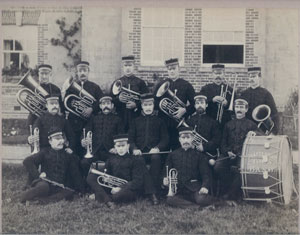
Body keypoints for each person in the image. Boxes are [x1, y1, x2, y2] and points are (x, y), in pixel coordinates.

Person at [20, 127, 85, 204]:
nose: (61, 141)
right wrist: (38, 175)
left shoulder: (68, 155)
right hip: (44, 183)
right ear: (50, 141)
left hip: (59, 186)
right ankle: (23, 197)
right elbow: (27, 161)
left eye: (61, 138)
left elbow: (75, 174)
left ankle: (39, 201)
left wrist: (82, 190)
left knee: (69, 192)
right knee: (43, 187)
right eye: (57, 139)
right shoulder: (44, 152)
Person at [213, 99, 260, 200]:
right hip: (228, 154)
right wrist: (228, 152)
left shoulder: (251, 125)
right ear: (234, 109)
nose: (239, 109)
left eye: (241, 107)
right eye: (237, 107)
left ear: (246, 109)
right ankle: (226, 189)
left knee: (241, 169)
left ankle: (231, 195)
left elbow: (261, 134)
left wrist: (255, 133)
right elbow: (223, 142)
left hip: (243, 155)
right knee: (218, 167)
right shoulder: (228, 124)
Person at [86, 134, 146, 208]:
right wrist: (106, 179)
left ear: (128, 146)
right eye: (118, 146)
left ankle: (101, 197)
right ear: (115, 147)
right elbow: (107, 174)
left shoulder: (135, 160)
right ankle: (108, 200)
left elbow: (137, 181)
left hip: (127, 188)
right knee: (90, 177)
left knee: (124, 194)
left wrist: (120, 187)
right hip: (112, 188)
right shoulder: (111, 159)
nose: (121, 149)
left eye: (123, 146)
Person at [128, 93, 169, 201]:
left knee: (156, 159)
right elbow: (130, 139)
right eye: (145, 105)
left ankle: (151, 190)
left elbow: (165, 139)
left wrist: (157, 148)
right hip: (139, 152)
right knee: (139, 161)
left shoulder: (160, 121)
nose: (148, 108)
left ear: (153, 106)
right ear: (141, 106)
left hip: (153, 151)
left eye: (150, 105)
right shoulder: (135, 121)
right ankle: (152, 193)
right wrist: (134, 149)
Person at [162, 126, 215, 208]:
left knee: (200, 199)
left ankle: (195, 205)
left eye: (188, 138)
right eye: (183, 138)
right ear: (179, 139)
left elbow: (206, 174)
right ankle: (198, 208)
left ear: (192, 139)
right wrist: (165, 178)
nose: (186, 140)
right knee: (170, 200)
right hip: (179, 190)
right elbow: (167, 170)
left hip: (194, 189)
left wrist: (205, 186)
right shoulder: (172, 154)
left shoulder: (199, 155)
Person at [63, 61, 103, 158]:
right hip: (74, 123)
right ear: (77, 72)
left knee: (87, 149)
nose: (82, 73)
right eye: (80, 71)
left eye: (84, 70)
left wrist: (92, 109)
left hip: (89, 123)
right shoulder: (71, 87)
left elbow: (101, 101)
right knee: (75, 148)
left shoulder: (95, 87)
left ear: (88, 72)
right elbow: (66, 102)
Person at [154, 58, 195, 150]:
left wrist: (185, 110)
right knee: (164, 147)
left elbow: (194, 104)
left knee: (178, 148)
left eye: (174, 68)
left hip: (179, 123)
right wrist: (159, 100)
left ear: (178, 69)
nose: (172, 71)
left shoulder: (186, 85)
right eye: (169, 69)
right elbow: (155, 104)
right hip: (164, 122)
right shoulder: (161, 84)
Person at [80, 94, 124, 177]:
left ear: (112, 105)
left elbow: (121, 135)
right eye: (103, 104)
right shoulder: (94, 118)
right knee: (84, 162)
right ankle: (87, 186)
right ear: (100, 106)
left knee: (115, 165)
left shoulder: (118, 119)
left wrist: (116, 148)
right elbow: (86, 131)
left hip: (110, 151)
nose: (106, 106)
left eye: (108, 104)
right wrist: (83, 140)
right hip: (95, 150)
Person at [111, 55, 149, 132]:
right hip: (121, 115)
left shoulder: (140, 82)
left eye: (130, 65)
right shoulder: (117, 82)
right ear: (122, 67)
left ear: (133, 66)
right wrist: (118, 99)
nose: (128, 68)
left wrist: (136, 105)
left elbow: (147, 99)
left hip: (136, 115)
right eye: (125, 65)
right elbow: (111, 99)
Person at [26, 64, 64, 133]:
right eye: (42, 74)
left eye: (46, 74)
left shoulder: (56, 89)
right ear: (38, 74)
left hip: (51, 118)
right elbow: (28, 103)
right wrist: (32, 103)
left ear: (50, 75)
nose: (44, 76)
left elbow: (61, 106)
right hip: (35, 117)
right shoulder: (33, 87)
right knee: (33, 136)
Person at [241, 67, 279, 134]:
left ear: (259, 77)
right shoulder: (244, 94)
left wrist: (273, 132)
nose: (251, 79)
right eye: (250, 77)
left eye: (253, 76)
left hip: (261, 129)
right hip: (246, 129)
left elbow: (274, 114)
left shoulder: (266, 93)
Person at [185, 93, 221, 160]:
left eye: (202, 103)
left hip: (206, 155)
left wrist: (204, 147)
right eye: (197, 103)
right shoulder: (189, 121)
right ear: (195, 106)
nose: (200, 105)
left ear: (206, 105)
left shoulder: (213, 122)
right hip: (191, 153)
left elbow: (216, 140)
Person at [200, 64, 233, 129]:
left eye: (220, 73)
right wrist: (212, 99)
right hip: (209, 120)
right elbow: (201, 103)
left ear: (223, 74)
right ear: (212, 74)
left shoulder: (230, 89)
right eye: (216, 73)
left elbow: (234, 106)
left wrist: (227, 103)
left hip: (225, 122)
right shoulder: (205, 88)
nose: (218, 76)